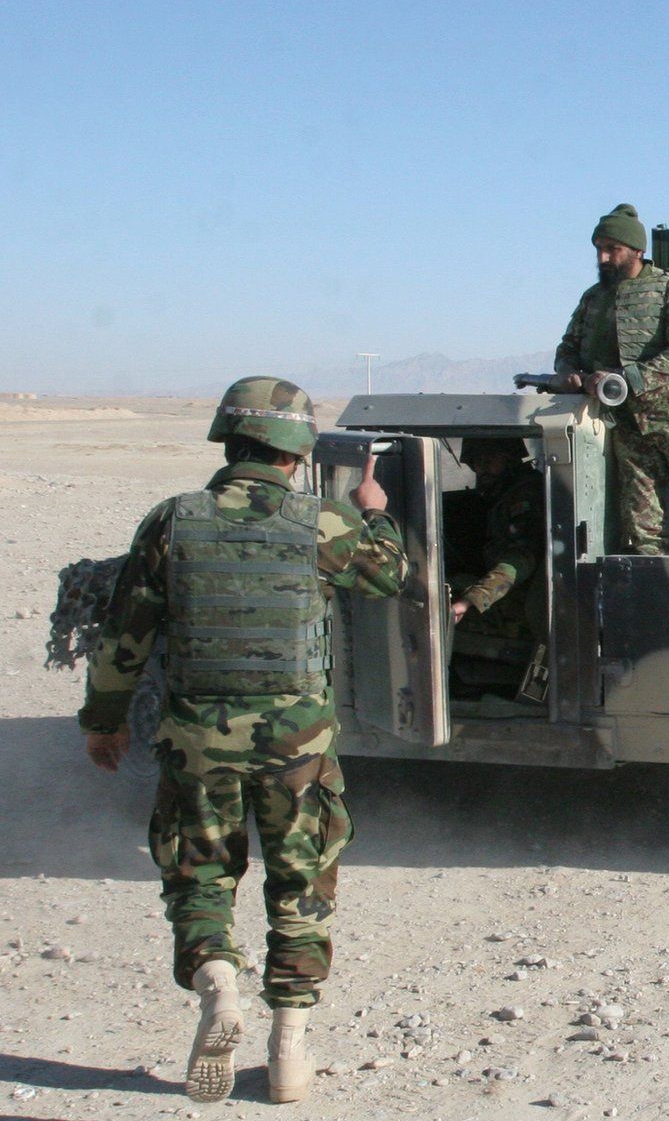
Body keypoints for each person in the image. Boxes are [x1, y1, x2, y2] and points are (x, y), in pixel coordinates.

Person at [76, 376, 408, 1105]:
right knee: (300, 885)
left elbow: (125, 634)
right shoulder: (320, 524)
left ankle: (218, 986)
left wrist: (103, 723)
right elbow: (389, 579)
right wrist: (375, 514)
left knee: (200, 878)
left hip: (197, 739)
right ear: (296, 452)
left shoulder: (174, 521)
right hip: (296, 747)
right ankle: (289, 1048)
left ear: (228, 440)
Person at [552, 203, 669, 556]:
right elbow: (568, 346)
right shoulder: (593, 299)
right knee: (643, 532)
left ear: (637, 250)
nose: (604, 257)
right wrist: (570, 374)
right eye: (599, 249)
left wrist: (626, 377)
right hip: (629, 426)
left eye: (613, 249)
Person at [448, 437, 545, 631]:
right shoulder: (501, 493)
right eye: (477, 460)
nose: (483, 465)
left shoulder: (525, 495)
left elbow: (522, 558)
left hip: (522, 598)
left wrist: (472, 600)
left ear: (510, 459)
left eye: (492, 458)